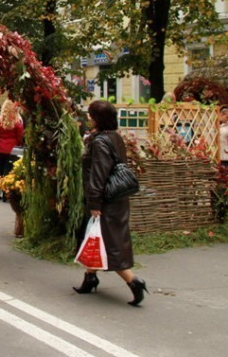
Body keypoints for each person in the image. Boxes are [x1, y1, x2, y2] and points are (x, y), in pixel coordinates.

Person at [74, 100, 147, 307]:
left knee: (109, 243)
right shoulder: (115, 137)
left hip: (105, 201)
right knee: (95, 239)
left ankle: (134, 282)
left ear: (98, 118)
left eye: (91, 114)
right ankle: (90, 278)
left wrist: (95, 202)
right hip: (116, 199)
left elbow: (99, 173)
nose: (88, 118)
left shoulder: (99, 141)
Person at [0, 99, 24, 201]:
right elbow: (20, 136)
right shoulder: (16, 121)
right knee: (8, 171)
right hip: (12, 149)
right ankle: (6, 194)